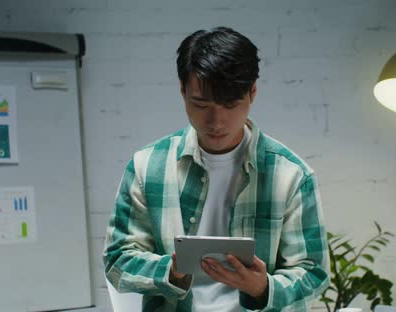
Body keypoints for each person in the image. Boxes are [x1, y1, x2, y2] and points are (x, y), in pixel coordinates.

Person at [104, 26, 329, 311]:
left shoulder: (292, 175)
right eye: (200, 104)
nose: (216, 121)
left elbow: (313, 273)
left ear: (252, 93)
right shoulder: (147, 166)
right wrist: (170, 272)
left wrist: (263, 288)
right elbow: (116, 259)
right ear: (182, 90)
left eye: (231, 104)